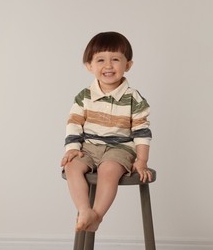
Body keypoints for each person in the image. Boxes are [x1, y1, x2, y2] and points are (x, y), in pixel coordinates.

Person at [61, 32, 153, 232]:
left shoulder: (133, 98)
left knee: (108, 169)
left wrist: (142, 160)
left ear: (127, 65)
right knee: (71, 167)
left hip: (119, 149)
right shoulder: (84, 96)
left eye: (115, 59)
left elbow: (142, 131)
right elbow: (74, 124)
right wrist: (72, 149)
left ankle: (98, 214)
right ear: (89, 66)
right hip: (89, 147)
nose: (108, 66)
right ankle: (85, 210)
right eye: (101, 60)